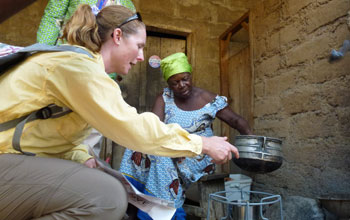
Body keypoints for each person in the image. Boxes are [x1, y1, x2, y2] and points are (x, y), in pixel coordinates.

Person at [0, 5, 239, 220]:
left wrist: (83, 157)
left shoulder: (85, 68)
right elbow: (134, 128)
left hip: (14, 159)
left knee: (109, 190)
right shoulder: (77, 69)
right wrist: (202, 144)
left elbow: (50, 137)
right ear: (117, 36)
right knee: (107, 197)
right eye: (139, 46)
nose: (141, 57)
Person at [120, 52, 252, 220]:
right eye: (175, 83)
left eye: (185, 79)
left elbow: (235, 120)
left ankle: (162, 213)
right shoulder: (164, 97)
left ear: (191, 75)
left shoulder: (208, 99)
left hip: (200, 154)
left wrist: (252, 141)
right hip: (172, 146)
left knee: (161, 158)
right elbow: (155, 128)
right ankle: (132, 202)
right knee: (135, 148)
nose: (182, 85)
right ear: (168, 84)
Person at [37, 0, 136, 45]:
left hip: (102, 66)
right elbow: (52, 18)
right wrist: (43, 50)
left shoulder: (127, 4)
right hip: (67, 53)